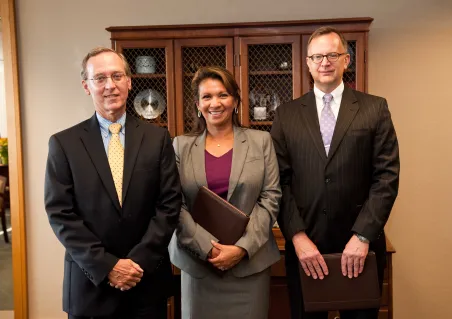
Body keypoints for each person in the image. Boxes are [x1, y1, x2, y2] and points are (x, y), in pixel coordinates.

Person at [271, 26, 400, 319]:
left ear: (346, 60)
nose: (324, 62)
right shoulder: (287, 114)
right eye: (317, 56)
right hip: (306, 248)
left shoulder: (374, 109)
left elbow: (386, 177)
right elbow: (279, 181)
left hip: (360, 249)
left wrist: (363, 237)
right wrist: (298, 238)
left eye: (332, 54)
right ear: (307, 63)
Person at [44, 47, 182, 319]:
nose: (110, 85)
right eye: (100, 78)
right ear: (86, 86)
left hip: (146, 281)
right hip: (90, 284)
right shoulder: (64, 143)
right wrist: (108, 266)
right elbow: (60, 214)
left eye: (117, 76)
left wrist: (136, 263)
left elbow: (169, 205)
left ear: (129, 82)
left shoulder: (158, 139)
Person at [168, 66, 281, 319]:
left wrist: (241, 248)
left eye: (223, 95)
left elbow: (271, 198)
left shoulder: (261, 141)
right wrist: (207, 248)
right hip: (199, 267)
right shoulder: (180, 146)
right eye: (207, 97)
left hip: (249, 266)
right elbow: (174, 203)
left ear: (235, 101)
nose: (215, 103)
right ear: (198, 104)